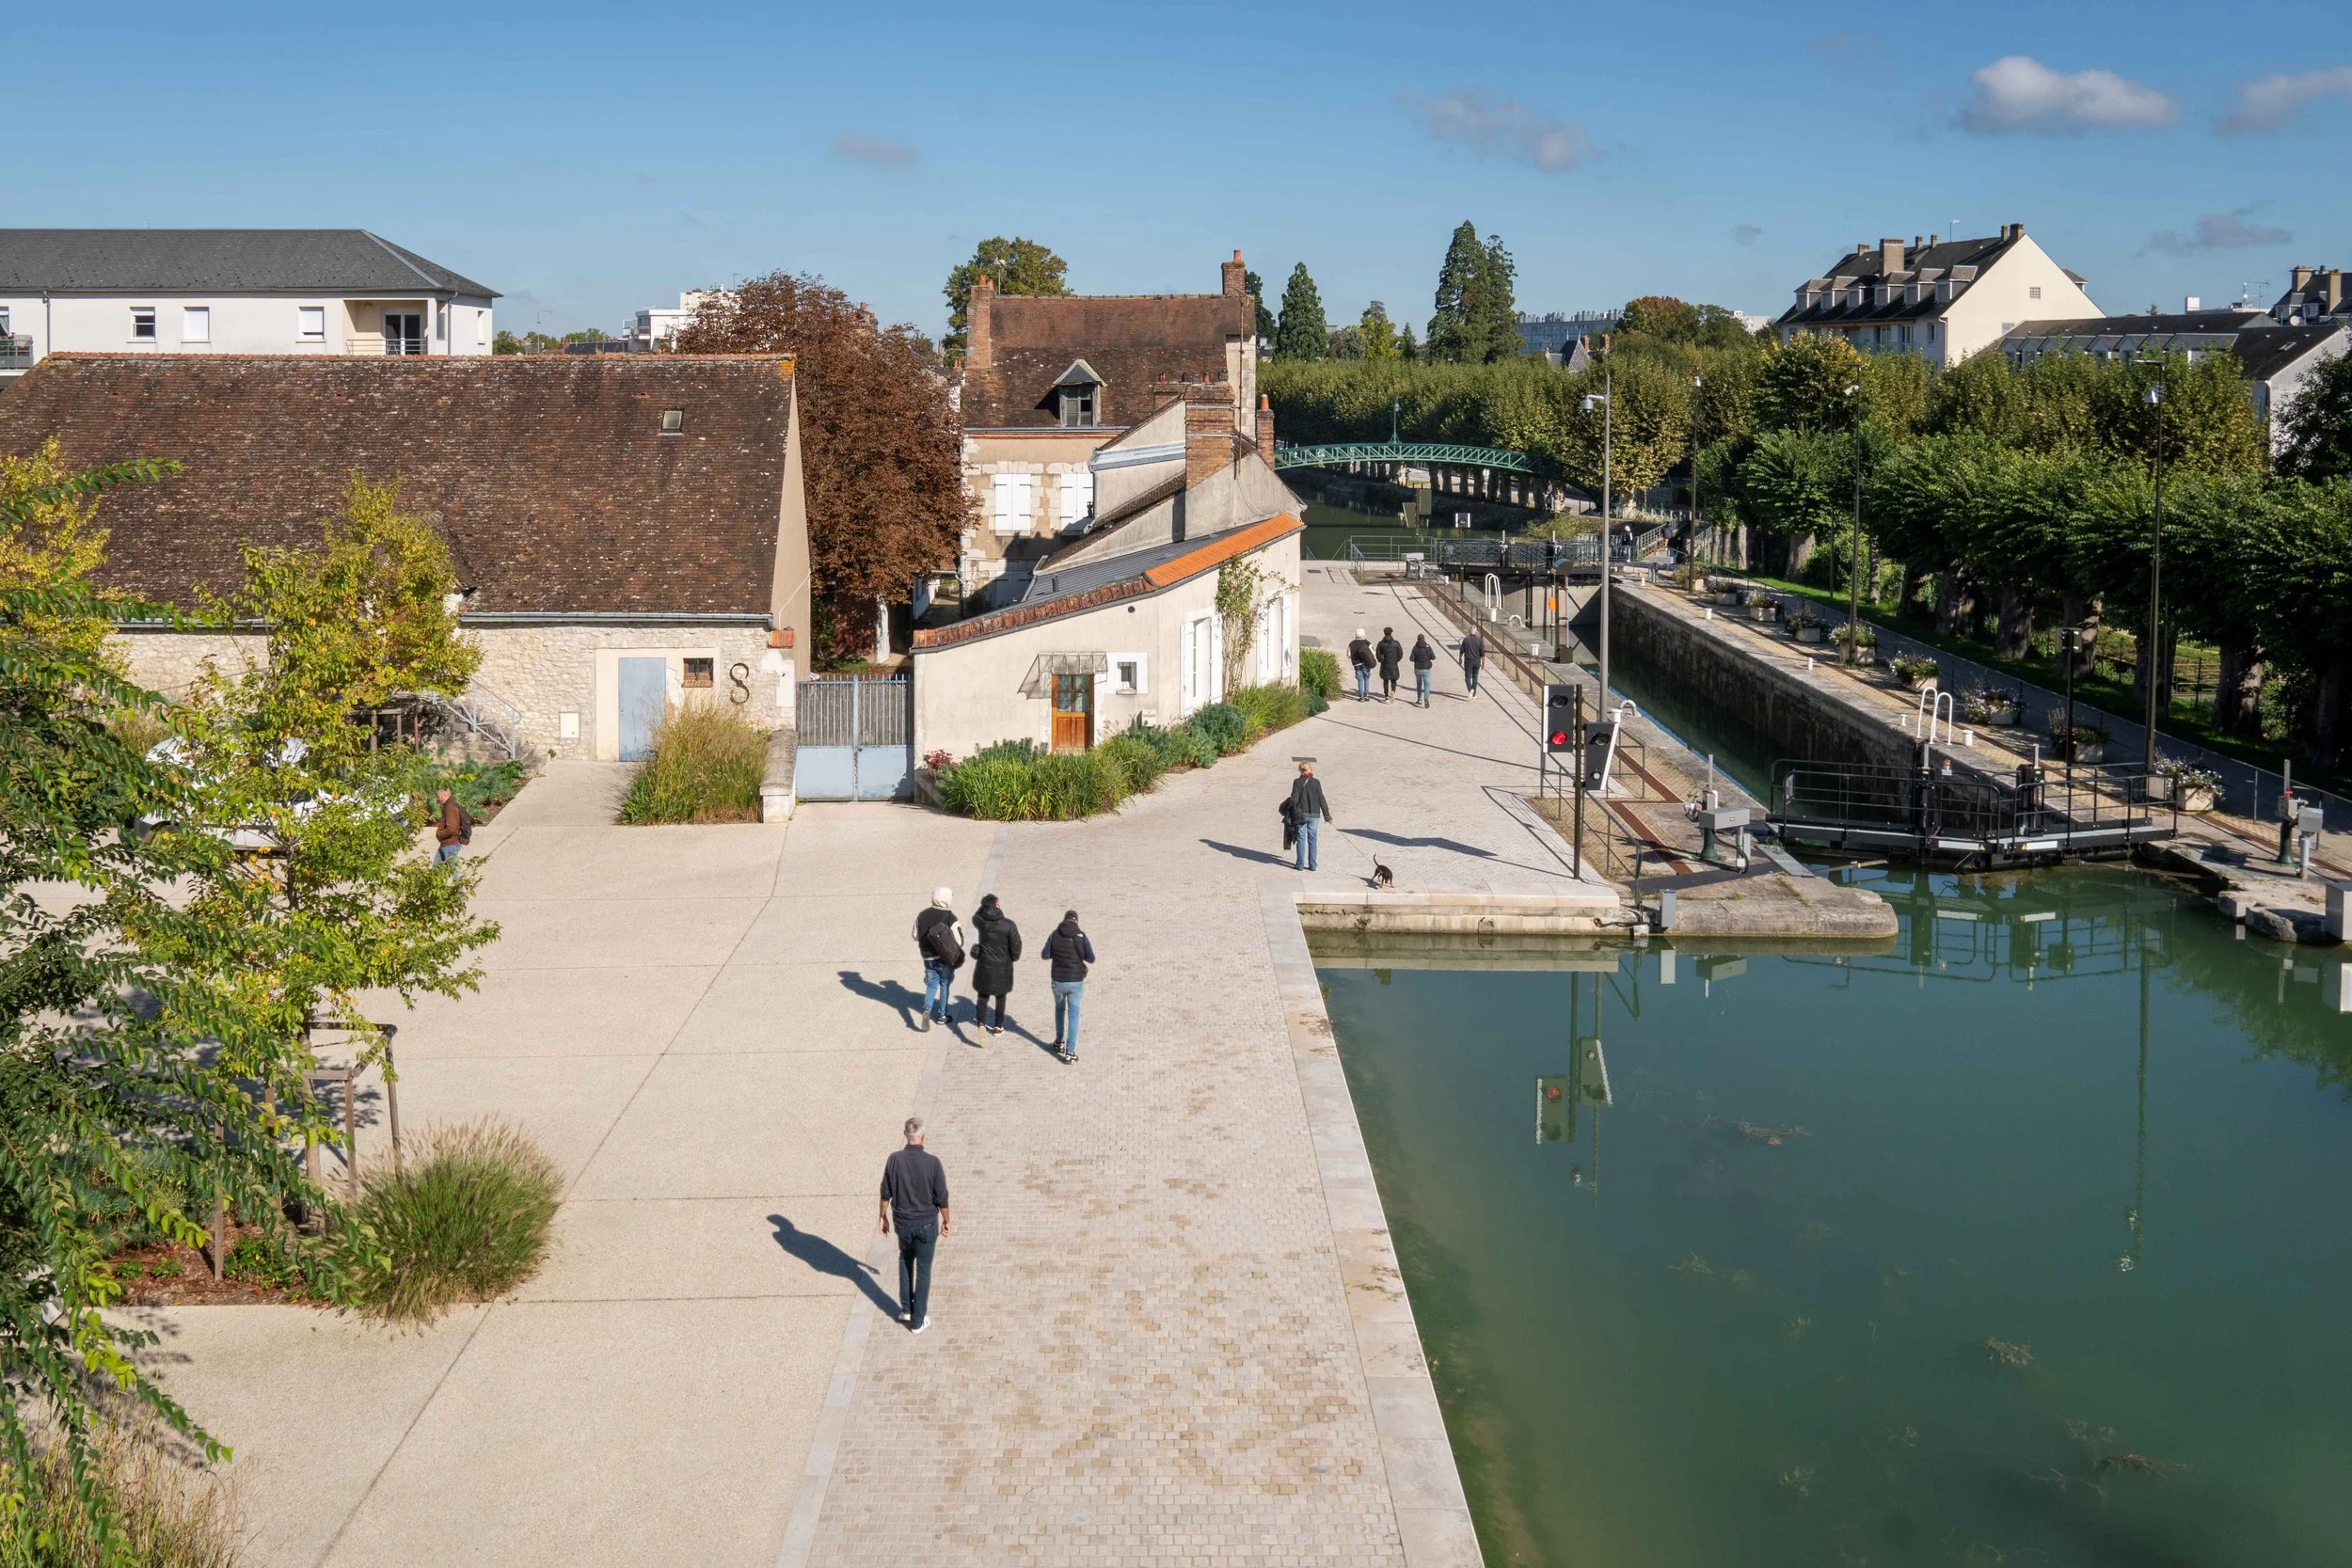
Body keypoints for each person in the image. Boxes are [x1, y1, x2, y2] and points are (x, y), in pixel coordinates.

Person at [878, 1116, 950, 1334]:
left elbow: (885, 1194)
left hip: (902, 1224)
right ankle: (917, 1321)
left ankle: (906, 1309)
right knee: (924, 1270)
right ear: (923, 1137)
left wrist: (882, 1217)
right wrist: (947, 1221)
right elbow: (942, 1199)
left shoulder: (893, 1160)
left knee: (905, 1260)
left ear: (905, 1136)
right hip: (926, 1225)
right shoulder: (933, 1163)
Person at [1043, 910, 1095, 1063]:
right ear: (1076, 921)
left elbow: (1045, 955)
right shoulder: (1081, 936)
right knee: (1073, 1015)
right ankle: (1070, 1052)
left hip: (1058, 980)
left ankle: (1059, 1042)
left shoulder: (1054, 934)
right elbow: (1091, 958)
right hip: (1075, 981)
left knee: (1059, 1010)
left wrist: (1057, 953)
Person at [968, 894, 1021, 1037]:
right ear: (997, 904)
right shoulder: (1009, 924)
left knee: (983, 996)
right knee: (1001, 996)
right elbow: (1016, 946)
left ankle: (981, 1023)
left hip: (985, 965)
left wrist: (984, 907)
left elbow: (975, 917)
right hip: (1003, 966)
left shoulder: (981, 922)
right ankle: (998, 1026)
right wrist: (1014, 957)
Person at [912, 888, 964, 1030]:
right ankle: (942, 1016)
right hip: (944, 958)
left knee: (931, 985)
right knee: (944, 985)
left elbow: (915, 935)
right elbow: (959, 941)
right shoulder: (950, 917)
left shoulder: (922, 915)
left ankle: (927, 1010)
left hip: (928, 957)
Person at [1289, 762, 1334, 872]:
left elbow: (1294, 800)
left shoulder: (1297, 782)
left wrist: (1291, 813)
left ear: (1300, 770)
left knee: (1301, 839)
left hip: (1301, 815)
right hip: (1314, 815)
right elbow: (1321, 800)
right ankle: (1312, 865)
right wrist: (1327, 816)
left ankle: (1300, 865)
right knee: (1312, 840)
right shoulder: (1316, 782)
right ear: (1310, 770)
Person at [433, 788, 467, 866]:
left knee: (454, 870)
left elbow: (452, 829)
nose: (438, 800)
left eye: (438, 797)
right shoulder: (448, 805)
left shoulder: (450, 808)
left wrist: (439, 834)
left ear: (444, 795)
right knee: (436, 868)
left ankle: (459, 879)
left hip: (450, 844)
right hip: (446, 843)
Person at [1375, 627, 1404, 702]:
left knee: (1385, 680)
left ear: (1384, 633)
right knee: (1393, 680)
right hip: (1394, 665)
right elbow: (1400, 654)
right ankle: (1393, 691)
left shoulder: (1380, 643)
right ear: (1391, 633)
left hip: (1384, 665)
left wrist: (1381, 660)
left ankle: (1386, 695)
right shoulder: (1396, 643)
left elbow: (1377, 655)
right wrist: (1397, 660)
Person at [1347, 627, 1375, 701]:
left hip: (1357, 665)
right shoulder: (1367, 643)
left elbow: (1349, 655)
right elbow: (1373, 653)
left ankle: (1361, 696)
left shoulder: (1352, 643)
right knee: (1366, 678)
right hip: (1366, 664)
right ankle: (1367, 695)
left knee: (1360, 680)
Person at [1409, 634, 1436, 707]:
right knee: (1427, 684)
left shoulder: (1415, 648)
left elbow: (1411, 659)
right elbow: (1433, 657)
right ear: (1424, 639)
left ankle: (1419, 699)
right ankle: (1426, 698)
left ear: (1417, 639)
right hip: (1426, 668)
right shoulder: (1428, 647)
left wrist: (1417, 659)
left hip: (1417, 668)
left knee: (1419, 684)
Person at [1459, 627, 1486, 696]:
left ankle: (1470, 689)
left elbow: (1462, 650)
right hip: (1477, 662)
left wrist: (1460, 658)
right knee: (1475, 677)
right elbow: (1483, 653)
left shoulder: (1466, 639)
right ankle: (1474, 694)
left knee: (1467, 677)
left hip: (1468, 661)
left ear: (1469, 631)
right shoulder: (1480, 640)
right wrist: (1483, 663)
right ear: (1476, 632)